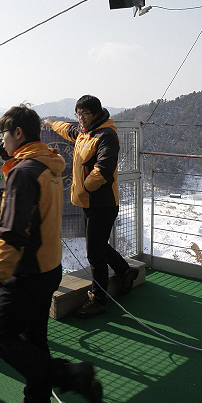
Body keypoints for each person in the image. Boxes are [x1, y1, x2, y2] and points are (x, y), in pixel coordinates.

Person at [0, 104, 102, 403]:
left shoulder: (23, 173)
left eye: (4, 135)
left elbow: (12, 235)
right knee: (34, 344)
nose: (2, 142)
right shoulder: (47, 165)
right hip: (50, 268)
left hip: (27, 273)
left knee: (0, 338)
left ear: (18, 133)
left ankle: (71, 377)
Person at [43, 95, 139, 318]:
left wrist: (84, 187)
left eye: (85, 114)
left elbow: (104, 169)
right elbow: (67, 129)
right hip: (87, 203)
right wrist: (49, 123)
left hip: (102, 204)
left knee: (94, 254)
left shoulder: (106, 135)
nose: (81, 118)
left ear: (97, 114)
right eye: (78, 114)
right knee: (98, 245)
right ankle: (125, 271)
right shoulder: (83, 132)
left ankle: (98, 300)